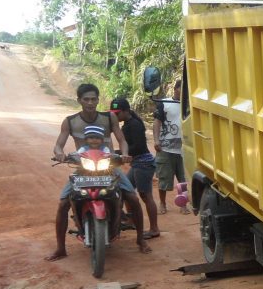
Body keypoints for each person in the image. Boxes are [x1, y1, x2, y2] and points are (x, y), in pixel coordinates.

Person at [46, 83, 151, 261]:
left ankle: (141, 239)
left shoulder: (109, 118)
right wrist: (59, 154)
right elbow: (59, 144)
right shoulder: (70, 121)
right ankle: (60, 248)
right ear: (79, 100)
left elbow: (121, 140)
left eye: (94, 99)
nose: (90, 103)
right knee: (64, 203)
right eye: (86, 99)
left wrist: (124, 154)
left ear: (98, 99)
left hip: (109, 167)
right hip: (83, 169)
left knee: (132, 198)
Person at [110, 97, 160, 238]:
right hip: (138, 163)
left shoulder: (134, 125)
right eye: (113, 113)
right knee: (124, 189)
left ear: (126, 111)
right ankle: (131, 219)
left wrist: (119, 154)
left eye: (117, 113)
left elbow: (138, 147)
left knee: (146, 196)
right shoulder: (127, 124)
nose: (115, 116)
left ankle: (154, 229)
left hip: (143, 163)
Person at [153, 77, 189, 215]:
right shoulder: (164, 103)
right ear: (175, 89)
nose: (184, 91)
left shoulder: (188, 105)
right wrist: (156, 140)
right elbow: (157, 122)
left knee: (183, 179)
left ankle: (183, 204)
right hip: (165, 148)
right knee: (163, 178)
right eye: (181, 88)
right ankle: (162, 203)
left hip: (183, 148)